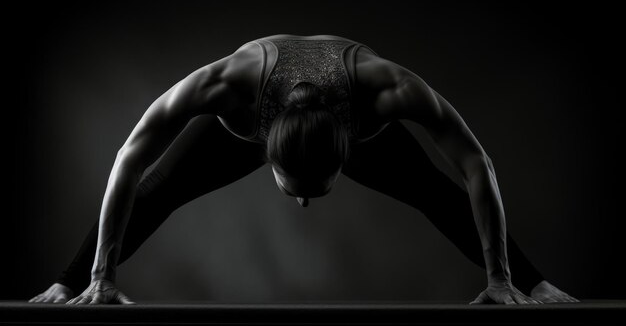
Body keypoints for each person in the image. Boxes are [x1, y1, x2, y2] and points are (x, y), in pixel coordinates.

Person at [29, 34, 579, 305]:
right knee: (161, 188)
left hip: (346, 119)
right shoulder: (226, 87)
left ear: (346, 152)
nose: (304, 204)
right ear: (268, 152)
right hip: (252, 118)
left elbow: (475, 163)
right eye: (296, 189)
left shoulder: (386, 91)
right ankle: (67, 283)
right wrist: (98, 277)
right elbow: (130, 158)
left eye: (318, 189)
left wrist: (503, 277)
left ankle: (536, 285)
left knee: (435, 192)